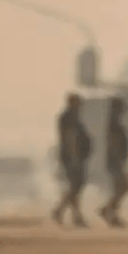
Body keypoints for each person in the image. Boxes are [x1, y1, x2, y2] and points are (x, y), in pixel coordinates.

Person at [52, 93, 91, 228]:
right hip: (72, 158)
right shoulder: (69, 119)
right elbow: (70, 139)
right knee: (75, 186)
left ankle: (69, 214)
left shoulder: (70, 118)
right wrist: (74, 158)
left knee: (75, 187)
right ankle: (65, 212)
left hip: (73, 157)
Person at [99, 97, 128, 228]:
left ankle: (109, 211)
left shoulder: (115, 125)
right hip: (115, 162)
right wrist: (118, 160)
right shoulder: (114, 126)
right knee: (123, 187)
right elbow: (114, 145)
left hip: (116, 161)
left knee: (121, 187)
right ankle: (109, 211)